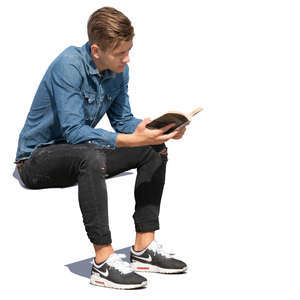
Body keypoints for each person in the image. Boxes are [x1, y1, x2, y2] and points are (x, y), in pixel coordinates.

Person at [15, 6, 188, 290]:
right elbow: (73, 133)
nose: (127, 58)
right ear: (97, 51)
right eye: (120, 53)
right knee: (91, 155)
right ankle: (103, 262)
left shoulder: (120, 72)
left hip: (81, 155)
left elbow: (122, 120)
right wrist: (128, 140)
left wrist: (157, 131)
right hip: (36, 160)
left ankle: (144, 248)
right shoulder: (68, 65)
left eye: (129, 50)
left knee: (153, 149)